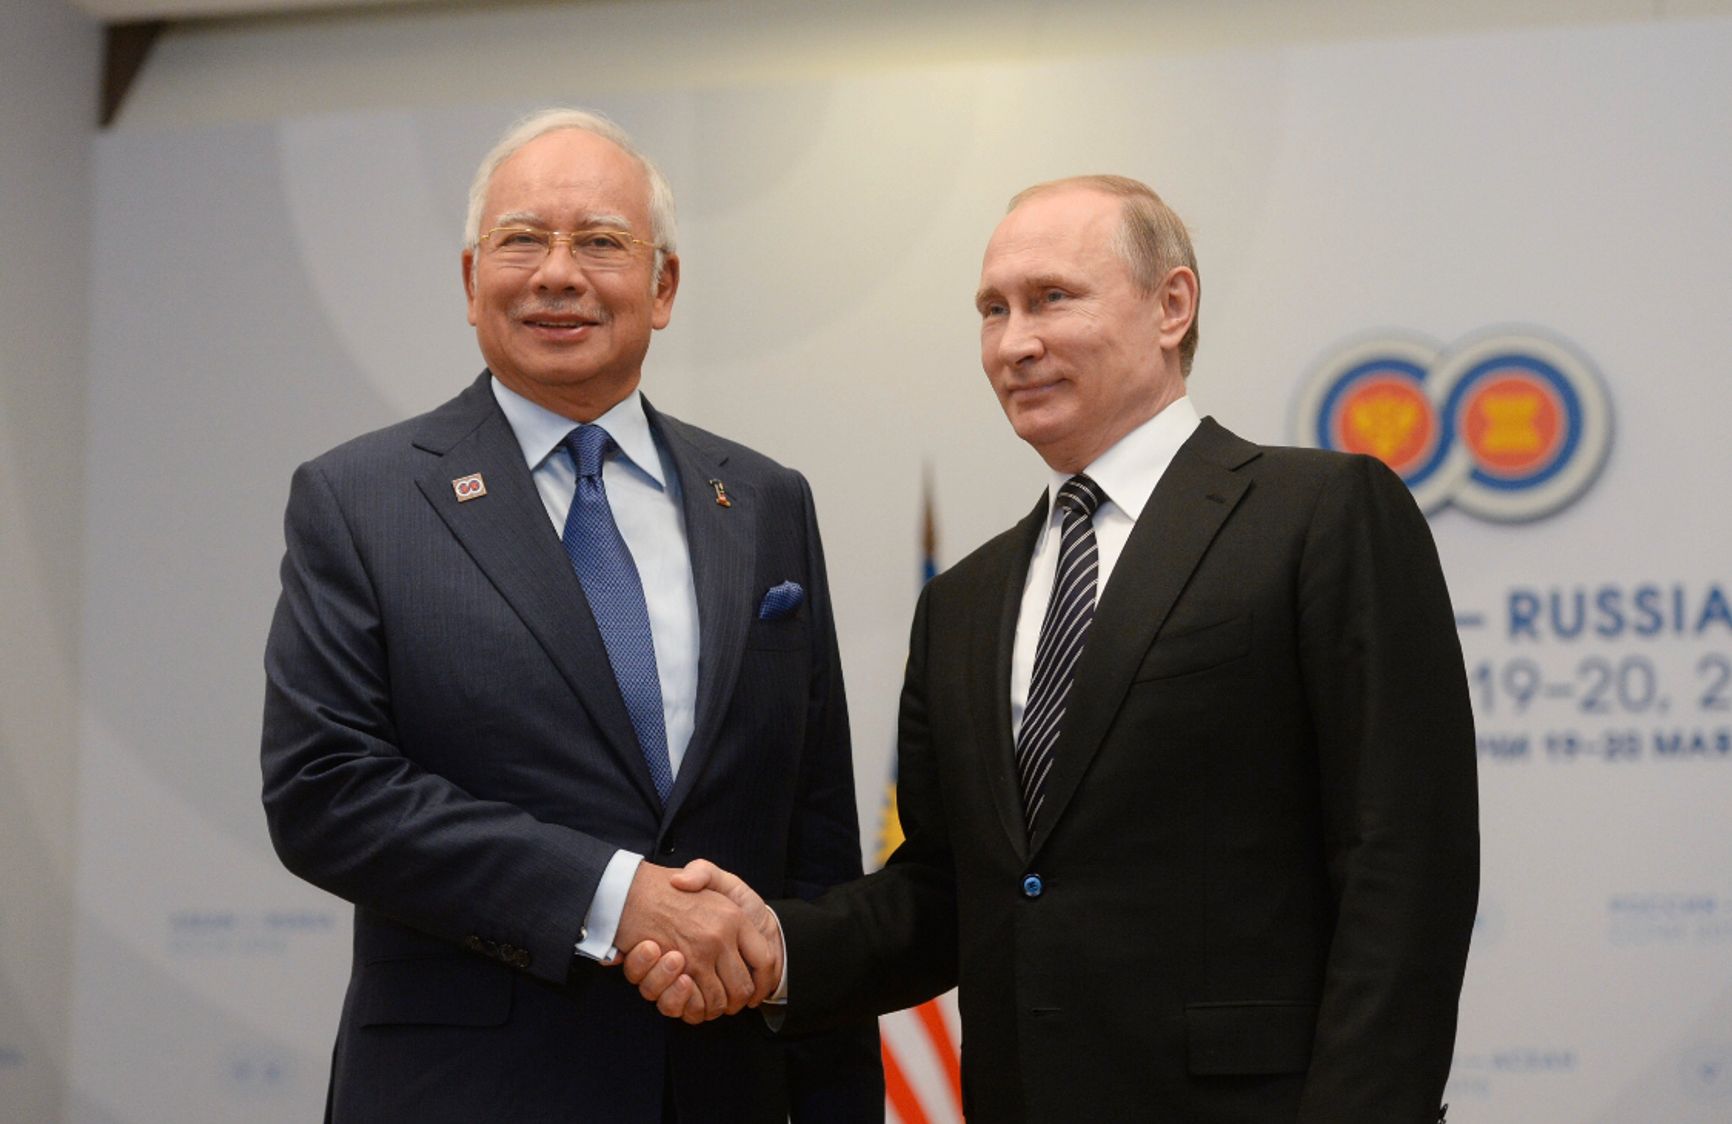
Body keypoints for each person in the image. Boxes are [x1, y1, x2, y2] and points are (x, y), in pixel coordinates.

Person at [629, 175, 1480, 1121]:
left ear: (1172, 306)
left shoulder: (1319, 516)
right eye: (993, 310)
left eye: (1052, 298)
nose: (1014, 343)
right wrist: (776, 947)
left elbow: (1404, 864)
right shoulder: (962, 604)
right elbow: (945, 893)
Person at [260, 107, 882, 1123]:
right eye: (522, 240)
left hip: (727, 1084)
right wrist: (614, 894)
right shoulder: (362, 499)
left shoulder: (766, 501)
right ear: (472, 281)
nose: (557, 273)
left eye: (600, 241)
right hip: (468, 1093)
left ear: (663, 285)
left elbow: (814, 837)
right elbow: (325, 790)